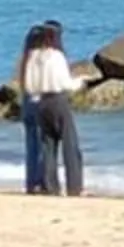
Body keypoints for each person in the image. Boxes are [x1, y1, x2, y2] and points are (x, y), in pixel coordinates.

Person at [22, 18, 84, 197]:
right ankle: (74, 186)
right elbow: (64, 82)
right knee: (70, 145)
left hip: (40, 101)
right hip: (57, 100)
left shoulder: (33, 57)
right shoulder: (56, 56)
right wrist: (80, 82)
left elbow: (29, 85)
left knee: (47, 146)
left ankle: (50, 185)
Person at [16, 23, 46, 195]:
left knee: (31, 145)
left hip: (27, 102)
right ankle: (40, 181)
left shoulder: (24, 59)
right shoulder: (40, 59)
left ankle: (30, 182)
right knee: (42, 144)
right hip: (37, 101)